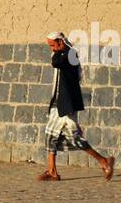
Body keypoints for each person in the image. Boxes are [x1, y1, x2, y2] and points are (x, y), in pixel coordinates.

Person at [36, 31, 115, 182]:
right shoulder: (63, 52)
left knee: (74, 138)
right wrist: (58, 49)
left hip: (66, 104)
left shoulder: (71, 54)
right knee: (51, 135)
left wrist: (62, 48)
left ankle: (104, 161)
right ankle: (52, 170)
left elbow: (56, 62)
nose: (51, 49)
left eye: (53, 45)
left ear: (60, 42)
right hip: (58, 102)